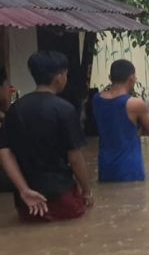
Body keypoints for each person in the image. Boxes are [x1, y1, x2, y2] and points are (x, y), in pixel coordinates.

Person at [0, 51, 93, 221]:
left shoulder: (15, 110)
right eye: (66, 74)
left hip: (27, 204)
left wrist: (23, 190)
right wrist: (87, 191)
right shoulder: (65, 110)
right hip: (62, 197)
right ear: (58, 77)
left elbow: (5, 153)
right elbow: (75, 158)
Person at [92, 59, 149, 183]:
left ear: (110, 77)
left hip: (105, 168)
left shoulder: (96, 99)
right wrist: (134, 132)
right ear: (131, 79)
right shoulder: (135, 104)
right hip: (130, 169)